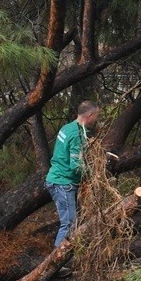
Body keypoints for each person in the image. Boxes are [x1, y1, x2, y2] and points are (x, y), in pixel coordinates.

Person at [46, 101, 101, 247]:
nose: (96, 119)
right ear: (90, 115)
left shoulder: (68, 127)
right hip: (63, 183)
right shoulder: (76, 135)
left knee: (71, 220)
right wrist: (93, 174)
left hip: (57, 179)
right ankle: (57, 257)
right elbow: (76, 166)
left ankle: (65, 255)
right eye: (96, 116)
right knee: (69, 223)